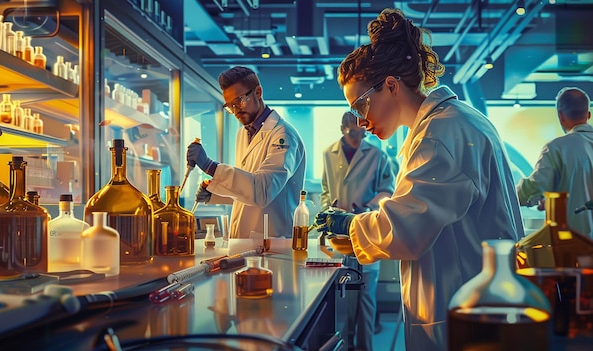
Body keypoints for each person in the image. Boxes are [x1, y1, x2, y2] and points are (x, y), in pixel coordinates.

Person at [315, 8, 524, 351]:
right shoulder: (445, 123)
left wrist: (350, 227)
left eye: (361, 107)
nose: (360, 122)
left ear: (392, 86)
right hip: (467, 301)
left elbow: (407, 228)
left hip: (463, 313)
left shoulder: (441, 132)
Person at [186, 66, 306, 238]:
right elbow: (247, 188)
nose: (235, 111)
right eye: (230, 106)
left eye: (240, 101)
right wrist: (215, 193)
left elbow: (263, 192)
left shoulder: (283, 136)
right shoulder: (243, 133)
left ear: (258, 92)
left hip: (273, 243)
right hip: (246, 242)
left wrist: (211, 167)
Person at [320, 111, 396, 351]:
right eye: (353, 132)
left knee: (365, 297)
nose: (359, 137)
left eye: (362, 131)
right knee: (342, 296)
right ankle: (345, 346)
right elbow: (325, 188)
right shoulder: (328, 153)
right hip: (339, 237)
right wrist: (328, 209)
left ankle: (365, 348)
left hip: (367, 229)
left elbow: (388, 190)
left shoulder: (377, 155)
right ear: (343, 128)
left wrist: (368, 207)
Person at [517, 87, 593, 237]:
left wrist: (511, 195)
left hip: (573, 243)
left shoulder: (557, 148)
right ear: (588, 115)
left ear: (561, 116)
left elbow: (534, 187)